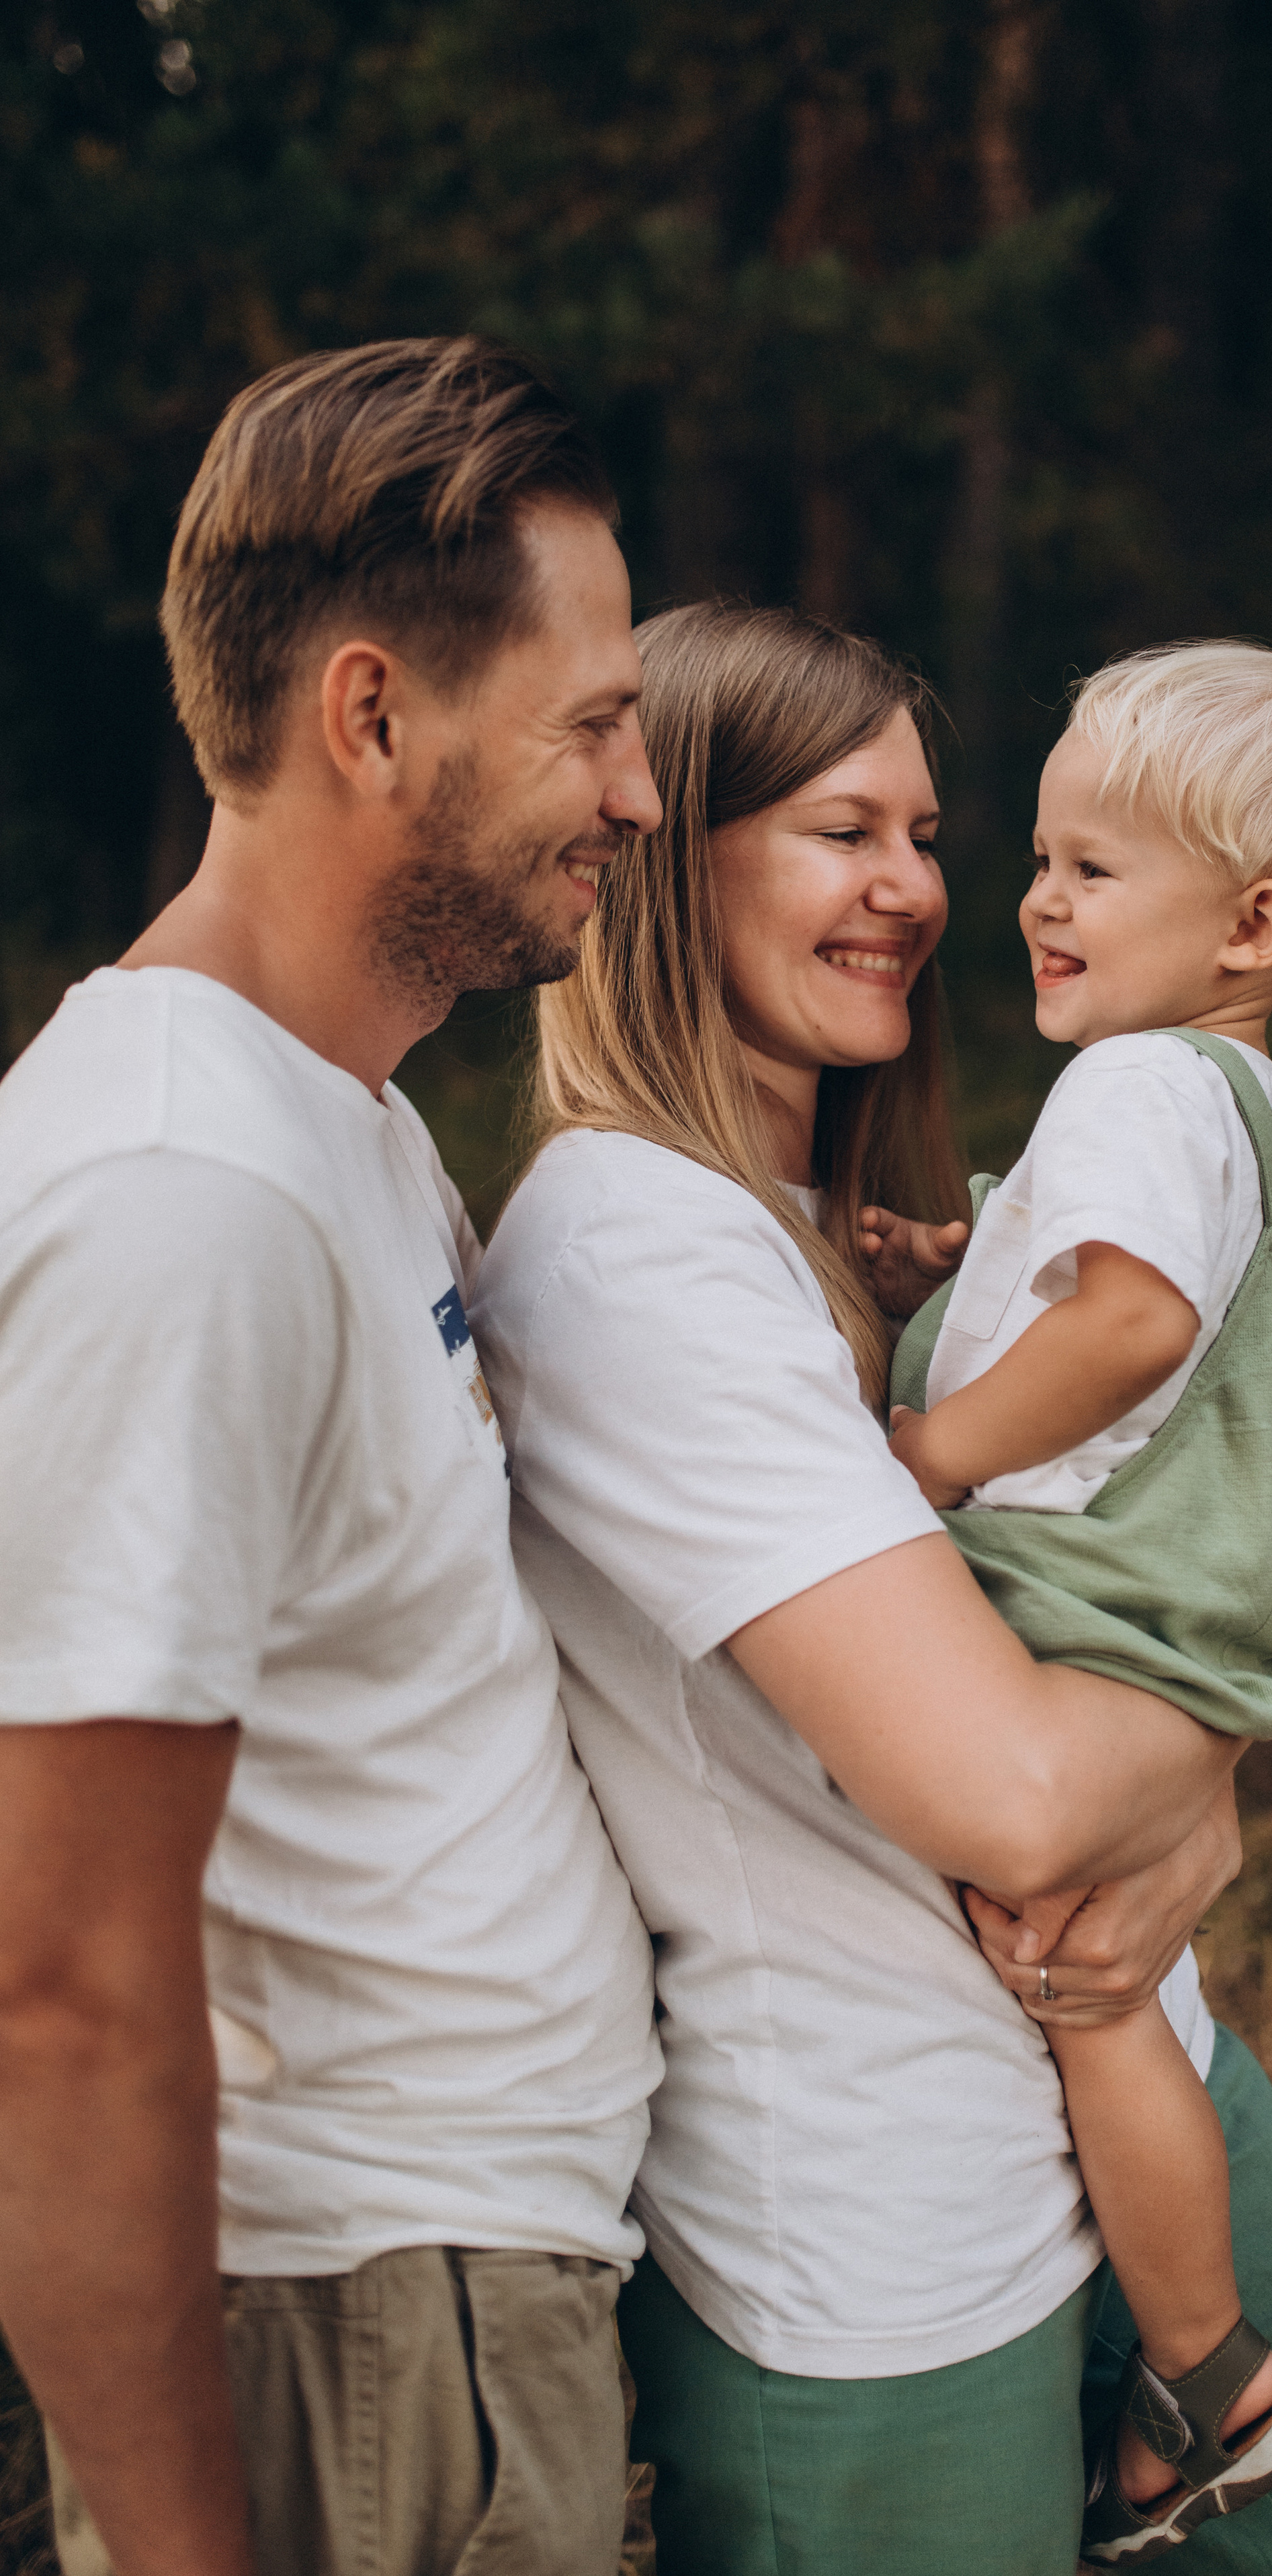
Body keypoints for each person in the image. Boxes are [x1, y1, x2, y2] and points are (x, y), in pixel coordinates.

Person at [470, 600, 1272, 2575]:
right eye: (845, 830)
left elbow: (1105, 1607)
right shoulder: (632, 1249)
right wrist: (1213, 1759)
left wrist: (1201, 1811)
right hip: (893, 2210)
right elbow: (1012, 1793)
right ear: (663, 846)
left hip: (1134, 2075)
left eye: (930, 833)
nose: (916, 889)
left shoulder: (854, 1227)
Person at [0, 336, 667, 2576]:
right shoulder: (180, 1202)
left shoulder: (337, 1126)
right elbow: (61, 1993)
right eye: (592, 723)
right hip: (365, 2348)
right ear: (372, 717)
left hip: (449, 2325)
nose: (640, 795)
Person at [876, 642, 1272, 2558]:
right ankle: (1181, 2366)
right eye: (1037, 854)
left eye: (1092, 866)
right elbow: (1098, 1289)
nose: (1035, 897)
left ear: (1252, 923)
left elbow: (1127, 1323)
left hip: (1100, 1624)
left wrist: (932, 1448)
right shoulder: (1237, 1108)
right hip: (1176, 1639)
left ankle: (1210, 2374)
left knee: (1079, 1976)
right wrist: (967, 1255)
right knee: (1095, 1984)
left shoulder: (1136, 1086)